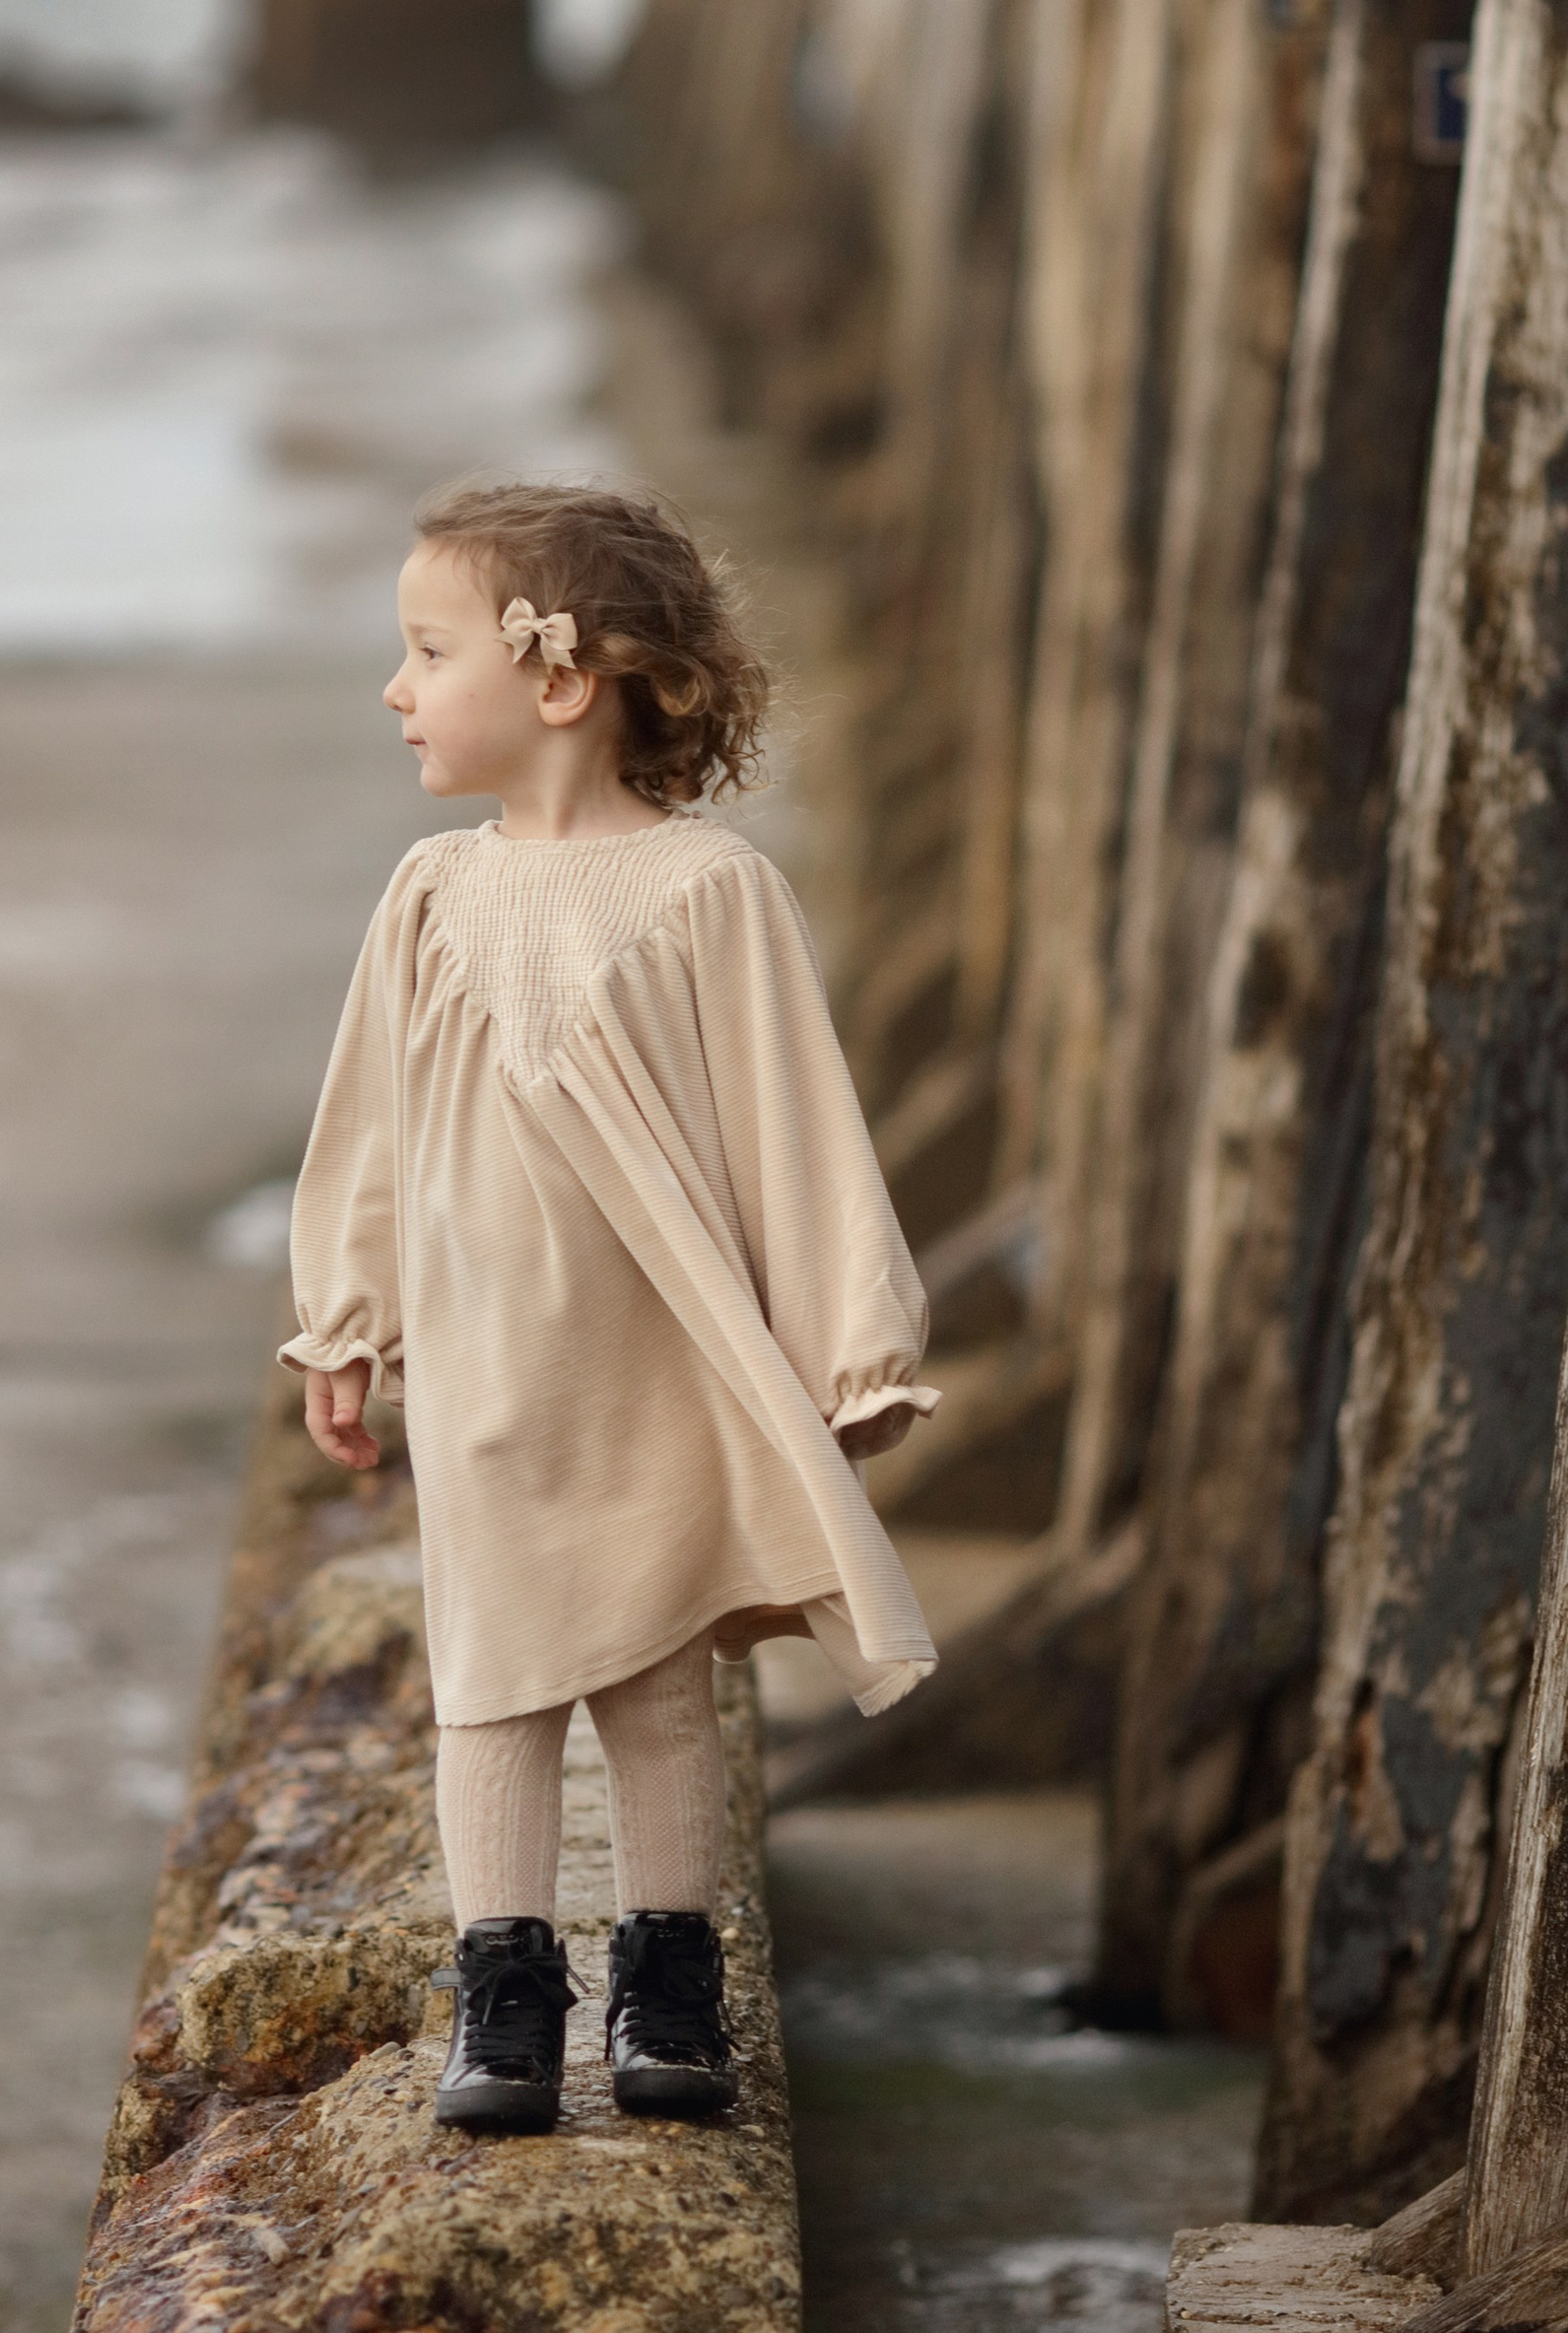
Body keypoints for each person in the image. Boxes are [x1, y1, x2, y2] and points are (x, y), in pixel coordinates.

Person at [281, 480, 940, 2133]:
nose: (398, 686)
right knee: (491, 1682)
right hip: (493, 1370)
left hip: (657, 1366)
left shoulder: (711, 892)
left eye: (428, 650)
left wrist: (855, 1340)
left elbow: (801, 1128)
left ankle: (669, 1978)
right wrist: (344, 1320)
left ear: (559, 679)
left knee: (656, 1688)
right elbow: (364, 1129)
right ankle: (502, 1995)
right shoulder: (429, 895)